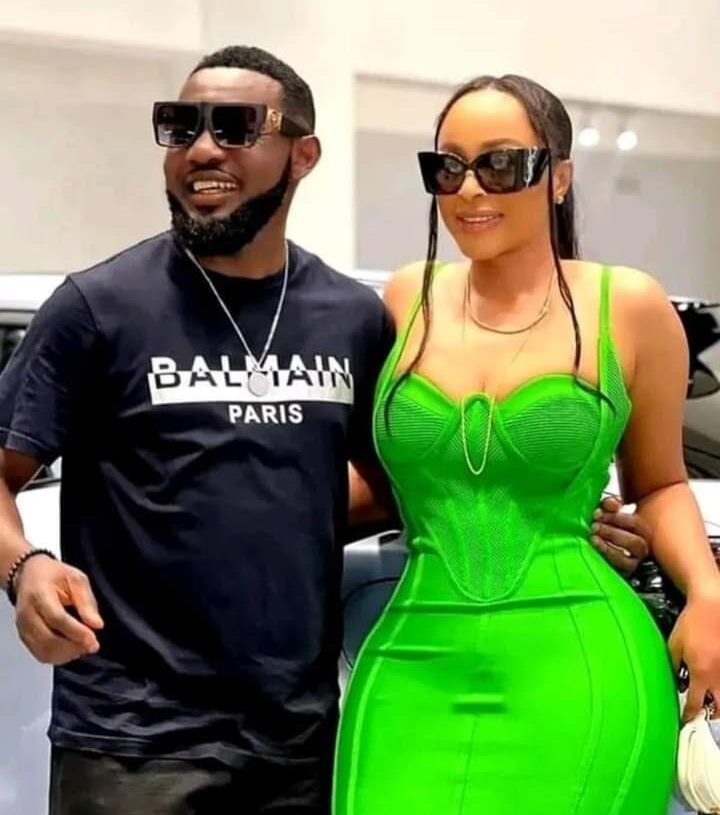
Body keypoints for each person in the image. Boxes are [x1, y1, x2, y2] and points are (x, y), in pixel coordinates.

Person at [0, 48, 648, 815]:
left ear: (302, 155)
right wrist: (24, 566)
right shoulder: (99, 307)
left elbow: (417, 471)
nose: (202, 149)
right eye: (179, 127)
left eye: (235, 126)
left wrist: (551, 517)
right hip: (133, 742)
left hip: (299, 741)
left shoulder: (350, 317)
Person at [333, 75, 720, 815]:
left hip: (578, 660)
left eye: (502, 164)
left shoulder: (627, 305)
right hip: (410, 661)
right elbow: (377, 477)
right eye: (448, 166)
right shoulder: (406, 297)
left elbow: (660, 483)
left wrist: (709, 595)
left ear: (560, 177)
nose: (470, 188)